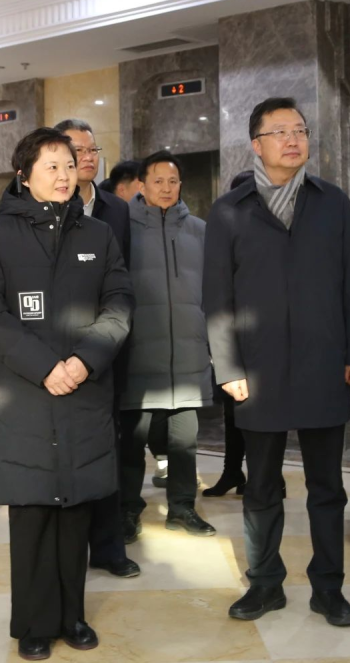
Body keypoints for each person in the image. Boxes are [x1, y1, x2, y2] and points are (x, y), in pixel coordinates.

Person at [204, 97, 350, 627]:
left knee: (328, 487)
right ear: (256, 145)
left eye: (299, 129)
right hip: (257, 369)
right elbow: (217, 298)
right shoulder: (229, 210)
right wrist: (227, 367)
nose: (293, 139)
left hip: (324, 362)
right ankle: (264, 584)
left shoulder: (332, 202)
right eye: (279, 131)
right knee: (261, 486)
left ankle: (329, 588)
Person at [0, 127, 133, 661]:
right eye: (52, 165)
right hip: (25, 392)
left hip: (83, 387)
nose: (64, 175)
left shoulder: (98, 235)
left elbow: (120, 303)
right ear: (24, 174)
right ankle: (34, 623)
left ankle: (72, 616)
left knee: (77, 506)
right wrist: (45, 368)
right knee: (33, 508)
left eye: (70, 164)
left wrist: (84, 361)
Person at [55, 118, 140, 579]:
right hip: (57, 350)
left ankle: (108, 546)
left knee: (108, 447)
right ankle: (66, 548)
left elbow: (121, 281)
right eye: (77, 150)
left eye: (92, 150)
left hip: (106, 347)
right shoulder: (41, 205)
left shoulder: (116, 210)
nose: (86, 158)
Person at [119, 151, 215, 539]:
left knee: (184, 444)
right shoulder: (122, 229)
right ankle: (127, 510)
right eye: (157, 181)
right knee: (131, 443)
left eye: (173, 181)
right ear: (141, 185)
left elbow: (213, 292)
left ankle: (182, 508)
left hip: (188, 355)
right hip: (138, 353)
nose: (166, 188)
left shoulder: (200, 230)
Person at [202, 169, 255, 499]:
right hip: (231, 336)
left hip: (262, 337)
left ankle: (267, 477)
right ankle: (232, 471)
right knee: (233, 411)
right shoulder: (225, 232)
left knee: (261, 415)